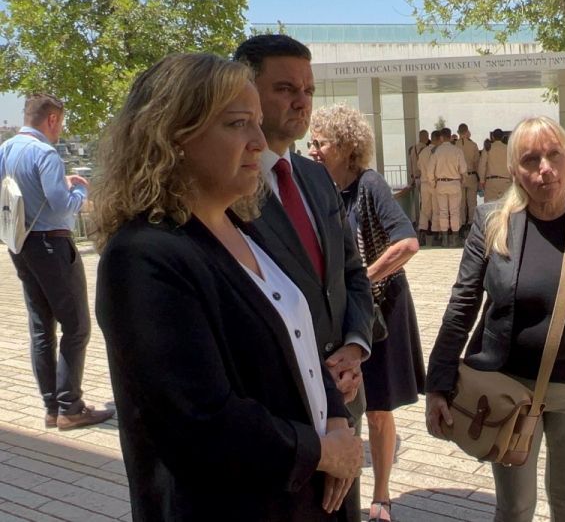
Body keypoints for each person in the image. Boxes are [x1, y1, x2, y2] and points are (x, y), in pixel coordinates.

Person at [93, 53, 362, 521]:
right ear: (173, 136)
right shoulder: (144, 256)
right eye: (239, 124)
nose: (260, 141)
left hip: (306, 497)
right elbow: (201, 421)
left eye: (258, 122)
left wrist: (336, 419)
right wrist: (321, 451)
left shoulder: (246, 225)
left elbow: (302, 341)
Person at [426, 116, 565, 522]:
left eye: (554, 155)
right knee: (516, 506)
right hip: (507, 389)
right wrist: (439, 382)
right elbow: (462, 303)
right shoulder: (492, 222)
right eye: (531, 159)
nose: (545, 169)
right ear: (514, 169)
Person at [234, 34, 374, 522]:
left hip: (345, 399)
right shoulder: (229, 188)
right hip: (281, 415)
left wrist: (354, 348)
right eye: (284, 88)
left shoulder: (317, 178)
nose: (301, 101)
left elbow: (351, 275)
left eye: (309, 90)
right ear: (246, 90)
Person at [311, 104, 426, 522]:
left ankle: (381, 497)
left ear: (344, 146)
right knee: (342, 403)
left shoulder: (369, 183)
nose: (313, 149)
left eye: (320, 142)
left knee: (377, 408)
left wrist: (359, 280)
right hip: (343, 317)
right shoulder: (319, 187)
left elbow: (407, 244)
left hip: (382, 314)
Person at [0, 94, 113, 431]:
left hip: (20, 245)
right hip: (53, 245)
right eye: (61, 123)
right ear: (51, 119)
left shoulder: (5, 150)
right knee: (76, 326)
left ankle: (52, 407)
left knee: (41, 328)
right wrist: (80, 191)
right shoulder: (45, 153)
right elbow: (63, 206)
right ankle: (70, 407)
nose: (60, 130)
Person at [427, 127, 466, 247]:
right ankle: (454, 239)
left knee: (443, 211)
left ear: (442, 138)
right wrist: (462, 182)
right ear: (450, 136)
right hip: (454, 183)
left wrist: (434, 183)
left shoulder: (436, 151)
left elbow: (430, 171)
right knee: (455, 212)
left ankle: (444, 239)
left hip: (441, 184)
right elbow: (463, 169)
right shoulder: (457, 151)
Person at [416, 130, 442, 246]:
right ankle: (436, 235)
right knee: (436, 209)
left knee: (425, 209)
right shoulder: (438, 152)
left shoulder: (423, 152)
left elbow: (419, 166)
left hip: (424, 183)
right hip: (435, 184)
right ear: (438, 139)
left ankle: (422, 234)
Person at [457, 123, 481, 235]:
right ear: (467, 131)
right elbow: (477, 163)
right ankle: (471, 224)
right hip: (471, 175)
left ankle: (461, 224)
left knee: (460, 203)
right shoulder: (473, 145)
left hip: (459, 177)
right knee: (472, 202)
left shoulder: (455, 145)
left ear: (458, 132)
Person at [479, 128, 511, 201]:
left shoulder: (488, 148)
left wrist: (482, 180)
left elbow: (482, 165)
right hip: (505, 181)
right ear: (503, 137)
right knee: (505, 206)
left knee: (489, 208)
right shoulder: (508, 148)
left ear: (493, 137)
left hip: (491, 182)